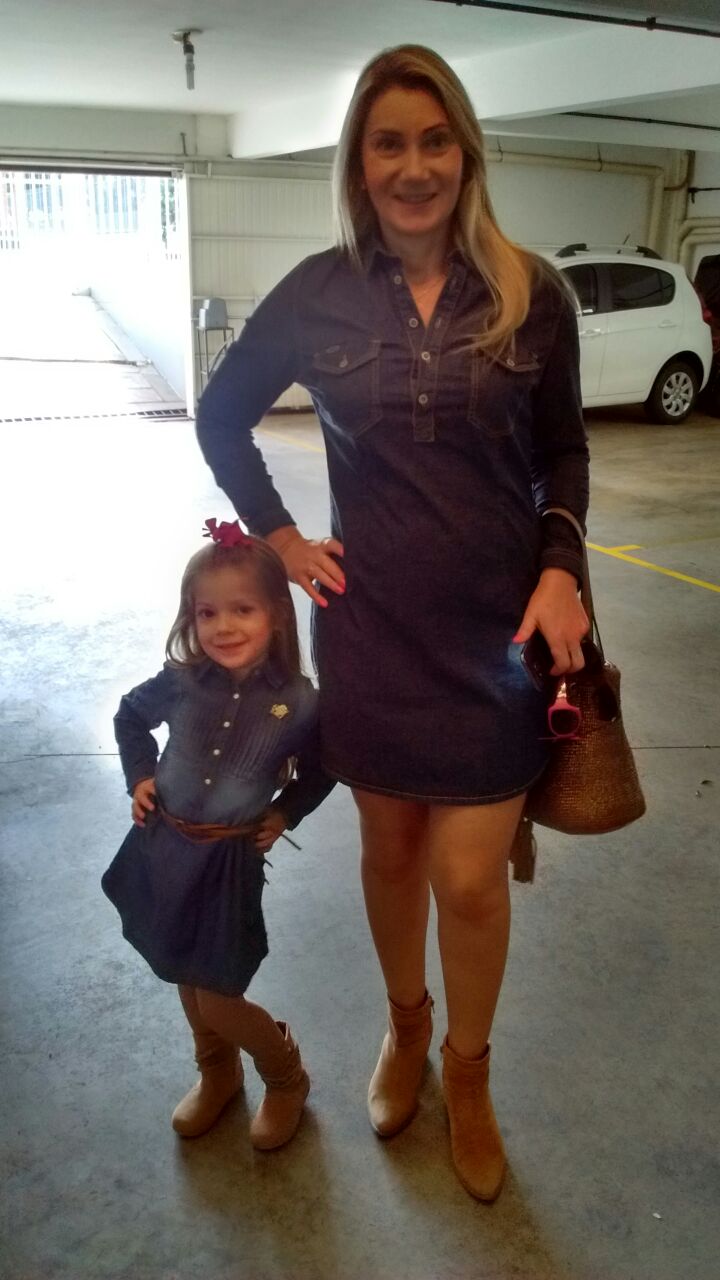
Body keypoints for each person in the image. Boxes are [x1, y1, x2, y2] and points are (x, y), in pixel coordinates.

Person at [195, 45, 590, 1200]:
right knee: (390, 850)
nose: (414, 167)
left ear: (465, 152)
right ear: (358, 164)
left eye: (434, 140)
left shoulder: (530, 290)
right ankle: (406, 1027)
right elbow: (221, 413)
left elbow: (565, 447)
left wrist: (563, 567)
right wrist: (279, 537)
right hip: (370, 634)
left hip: (496, 642)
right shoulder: (317, 291)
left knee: (469, 878)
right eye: (388, 143)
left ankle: (468, 1068)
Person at [102, 519, 334, 1150]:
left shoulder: (299, 701)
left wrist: (285, 813)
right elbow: (130, 716)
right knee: (181, 966)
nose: (223, 627)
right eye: (207, 613)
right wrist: (139, 776)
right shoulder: (182, 680)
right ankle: (218, 1072)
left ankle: (284, 1076)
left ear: (276, 615)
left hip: (228, 863)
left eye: (242, 610)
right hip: (165, 846)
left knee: (218, 994)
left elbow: (323, 769)